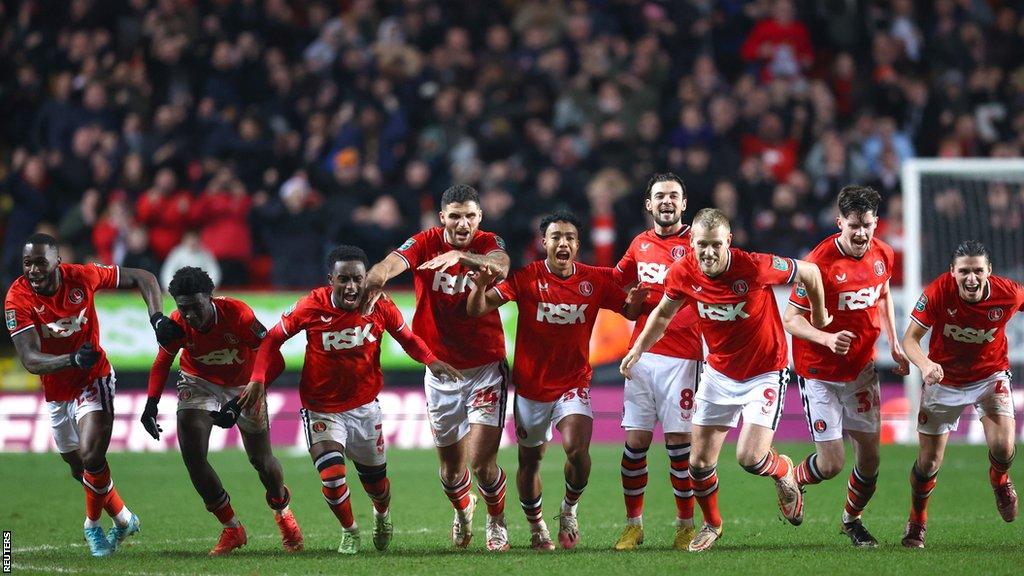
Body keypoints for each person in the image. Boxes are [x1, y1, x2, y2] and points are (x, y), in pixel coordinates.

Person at [621, 208, 830, 552]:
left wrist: (819, 316)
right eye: (702, 245)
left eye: (716, 245)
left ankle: (783, 470)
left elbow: (809, 271)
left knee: (749, 458)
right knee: (698, 463)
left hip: (764, 371)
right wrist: (638, 350)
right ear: (691, 243)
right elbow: (662, 315)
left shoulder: (753, 266)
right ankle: (712, 524)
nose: (708, 252)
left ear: (728, 242)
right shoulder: (683, 271)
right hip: (718, 373)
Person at [242, 245, 462, 554]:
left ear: (366, 278)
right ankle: (349, 530)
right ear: (331, 280)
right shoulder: (310, 306)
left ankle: (382, 515)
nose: (352, 287)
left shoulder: (380, 305)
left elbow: (408, 339)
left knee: (378, 486)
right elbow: (272, 339)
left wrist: (431, 361)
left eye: (357, 279)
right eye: (343, 279)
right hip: (322, 409)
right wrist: (257, 378)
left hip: (364, 408)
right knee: (332, 478)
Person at [468, 211, 645, 551]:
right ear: (544, 243)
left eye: (569, 237)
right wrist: (478, 286)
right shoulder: (526, 278)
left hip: (573, 383)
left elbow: (629, 311)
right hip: (532, 387)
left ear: (578, 245)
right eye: (555, 237)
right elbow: (477, 309)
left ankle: (568, 509)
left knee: (577, 451)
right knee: (530, 461)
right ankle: (537, 528)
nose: (562, 243)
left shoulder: (594, 280)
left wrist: (634, 305)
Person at [4, 232, 181, 557]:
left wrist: (156, 317)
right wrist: (70, 359)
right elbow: (30, 360)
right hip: (57, 390)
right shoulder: (17, 298)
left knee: (91, 457)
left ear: (58, 261)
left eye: (41, 262)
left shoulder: (82, 276)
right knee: (79, 468)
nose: (33, 270)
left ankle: (92, 526)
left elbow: (144, 277)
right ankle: (124, 519)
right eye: (27, 263)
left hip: (94, 379)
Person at [361, 184, 512, 550]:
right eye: (456, 216)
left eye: (471, 216)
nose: (464, 223)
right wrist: (377, 277)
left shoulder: (489, 242)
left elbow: (502, 267)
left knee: (480, 463)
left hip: (485, 367)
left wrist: (465, 259)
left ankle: (497, 522)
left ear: (480, 218)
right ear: (442, 217)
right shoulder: (424, 242)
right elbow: (392, 262)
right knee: (449, 471)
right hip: (441, 370)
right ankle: (464, 511)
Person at [781, 185, 910, 547]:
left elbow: (882, 293)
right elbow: (791, 319)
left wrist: (895, 343)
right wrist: (825, 338)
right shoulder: (818, 264)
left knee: (870, 462)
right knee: (833, 463)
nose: (861, 233)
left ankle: (851, 521)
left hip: (862, 371)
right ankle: (795, 477)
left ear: (875, 223)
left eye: (867, 225)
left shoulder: (883, 254)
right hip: (819, 373)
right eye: (853, 225)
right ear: (839, 222)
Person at [143, 266, 303, 556]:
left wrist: (243, 397)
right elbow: (163, 361)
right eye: (183, 308)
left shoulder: (238, 315)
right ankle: (232, 528)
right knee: (192, 455)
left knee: (262, 461)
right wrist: (151, 404)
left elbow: (275, 360)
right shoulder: (178, 322)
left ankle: (283, 512)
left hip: (244, 383)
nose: (190, 315)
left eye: (196, 307)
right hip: (198, 381)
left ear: (211, 298)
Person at [900, 240, 1022, 548]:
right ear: (952, 272)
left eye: (978, 270)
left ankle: (1000, 480)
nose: (971, 278)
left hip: (989, 376)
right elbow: (910, 340)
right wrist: (925, 364)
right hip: (944, 380)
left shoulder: (1009, 293)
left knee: (1004, 448)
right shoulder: (938, 292)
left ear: (989, 272)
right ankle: (917, 520)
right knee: (928, 464)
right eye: (964, 271)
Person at [611, 173, 703, 550]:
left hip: (683, 356)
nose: (666, 201)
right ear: (649, 204)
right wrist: (630, 302)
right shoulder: (639, 245)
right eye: (659, 196)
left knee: (680, 448)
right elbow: (622, 292)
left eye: (674, 196)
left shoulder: (698, 244)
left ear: (684, 204)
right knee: (634, 446)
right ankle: (634, 525)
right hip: (641, 357)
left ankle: (685, 526)